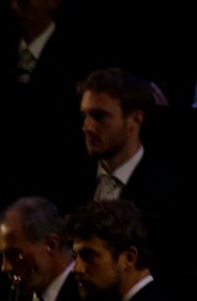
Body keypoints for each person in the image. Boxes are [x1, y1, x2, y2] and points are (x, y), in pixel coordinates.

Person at [70, 68, 186, 218]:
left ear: (135, 119)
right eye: (85, 115)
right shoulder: (68, 177)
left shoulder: (170, 194)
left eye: (100, 116)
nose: (87, 127)